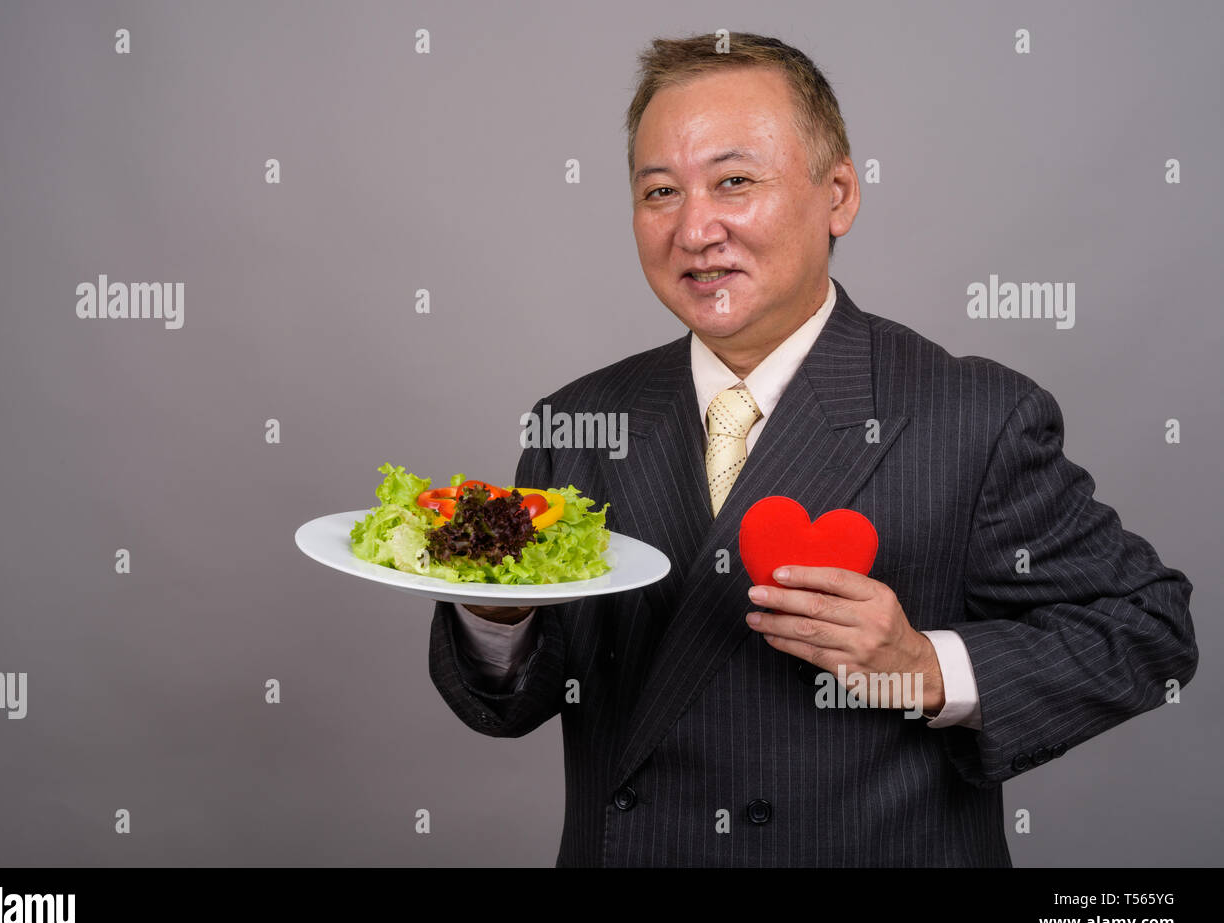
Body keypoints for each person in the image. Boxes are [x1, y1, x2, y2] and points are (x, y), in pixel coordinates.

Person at [427, 32, 1197, 866]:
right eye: (658, 191)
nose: (693, 229)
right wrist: (494, 608)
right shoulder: (577, 420)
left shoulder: (972, 413)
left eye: (734, 181)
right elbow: (503, 704)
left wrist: (924, 666)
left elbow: (1150, 629)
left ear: (837, 194)